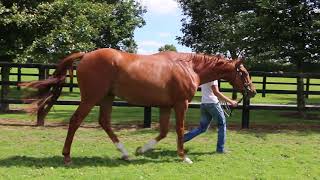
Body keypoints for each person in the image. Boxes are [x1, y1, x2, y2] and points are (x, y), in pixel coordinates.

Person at [184, 80, 238, 153]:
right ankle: (220, 149)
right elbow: (216, 92)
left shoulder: (206, 76)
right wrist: (231, 101)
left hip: (204, 104)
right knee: (222, 124)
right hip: (213, 104)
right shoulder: (213, 78)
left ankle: (183, 138)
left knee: (202, 128)